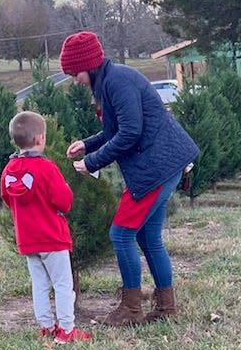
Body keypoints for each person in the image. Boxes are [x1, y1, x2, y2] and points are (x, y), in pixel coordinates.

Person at [59, 31, 200, 326]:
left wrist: (92, 162)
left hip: (156, 168)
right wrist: (88, 144)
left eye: (76, 74)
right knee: (148, 237)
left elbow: (130, 133)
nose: (76, 81)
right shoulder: (112, 81)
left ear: (89, 65)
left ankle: (132, 309)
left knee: (121, 234)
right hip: (163, 164)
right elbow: (116, 130)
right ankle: (165, 306)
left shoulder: (118, 81)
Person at [0, 111, 92, 344]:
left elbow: (6, 197)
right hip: (52, 236)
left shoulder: (9, 170)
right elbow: (64, 201)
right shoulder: (47, 168)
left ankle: (46, 326)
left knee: (39, 284)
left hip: (28, 238)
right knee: (62, 284)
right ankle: (67, 330)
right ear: (41, 138)